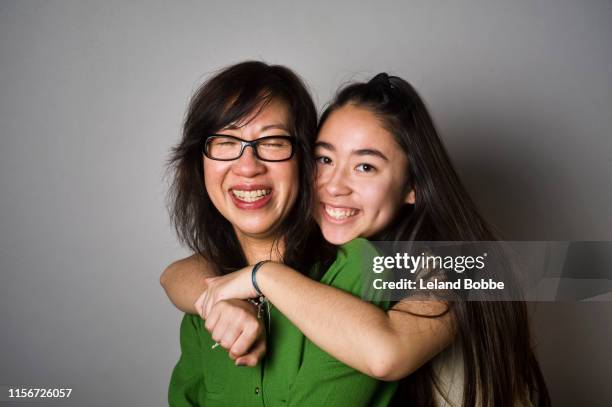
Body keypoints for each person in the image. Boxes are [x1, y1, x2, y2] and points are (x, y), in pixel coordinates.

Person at [163, 72, 550, 406]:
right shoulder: (314, 266)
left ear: (414, 185)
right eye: (325, 159)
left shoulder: (436, 264)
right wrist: (216, 291)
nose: (334, 186)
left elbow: (569, 271)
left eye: (365, 166)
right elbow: (177, 275)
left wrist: (259, 277)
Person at [165, 61, 398, 406]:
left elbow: (494, 270)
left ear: (305, 160)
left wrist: (263, 279)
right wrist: (223, 295)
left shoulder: (358, 270)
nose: (248, 167)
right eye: (226, 141)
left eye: (273, 142)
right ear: (199, 164)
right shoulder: (207, 299)